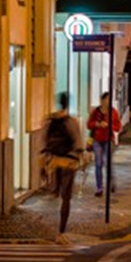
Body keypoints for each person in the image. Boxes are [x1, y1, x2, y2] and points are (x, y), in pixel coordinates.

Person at [42, 93, 84, 235]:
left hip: (54, 160)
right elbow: (78, 142)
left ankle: (55, 189)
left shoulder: (50, 120)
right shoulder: (71, 121)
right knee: (67, 198)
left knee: (57, 187)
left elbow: (44, 140)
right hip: (68, 161)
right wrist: (80, 158)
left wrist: (44, 160)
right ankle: (61, 230)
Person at [87, 92, 122, 197]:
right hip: (97, 140)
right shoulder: (96, 112)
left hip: (108, 139)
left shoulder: (113, 112)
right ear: (102, 100)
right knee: (98, 163)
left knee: (108, 162)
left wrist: (109, 126)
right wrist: (97, 124)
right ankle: (99, 187)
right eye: (106, 99)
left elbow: (118, 127)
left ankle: (111, 182)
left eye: (109, 100)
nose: (108, 102)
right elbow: (89, 124)